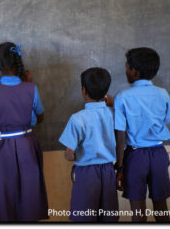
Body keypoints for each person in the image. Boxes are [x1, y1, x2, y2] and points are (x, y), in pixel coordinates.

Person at [0, 42, 48, 222]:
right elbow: (40, 118)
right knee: (29, 194)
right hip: (28, 145)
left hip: (5, 148)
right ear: (18, 62)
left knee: (5, 196)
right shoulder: (31, 88)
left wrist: (1, 128)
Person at [114, 47, 170, 222]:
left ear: (135, 72)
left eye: (127, 67)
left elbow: (120, 134)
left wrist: (119, 167)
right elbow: (166, 119)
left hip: (135, 156)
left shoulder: (122, 97)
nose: (125, 70)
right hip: (159, 154)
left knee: (138, 213)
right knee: (161, 208)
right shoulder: (163, 94)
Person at [59, 67, 118, 222]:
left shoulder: (77, 119)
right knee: (108, 217)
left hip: (86, 173)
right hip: (108, 170)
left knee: (84, 217)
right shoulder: (114, 114)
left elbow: (69, 153)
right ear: (106, 92)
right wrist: (110, 100)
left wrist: (71, 157)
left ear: (84, 91)